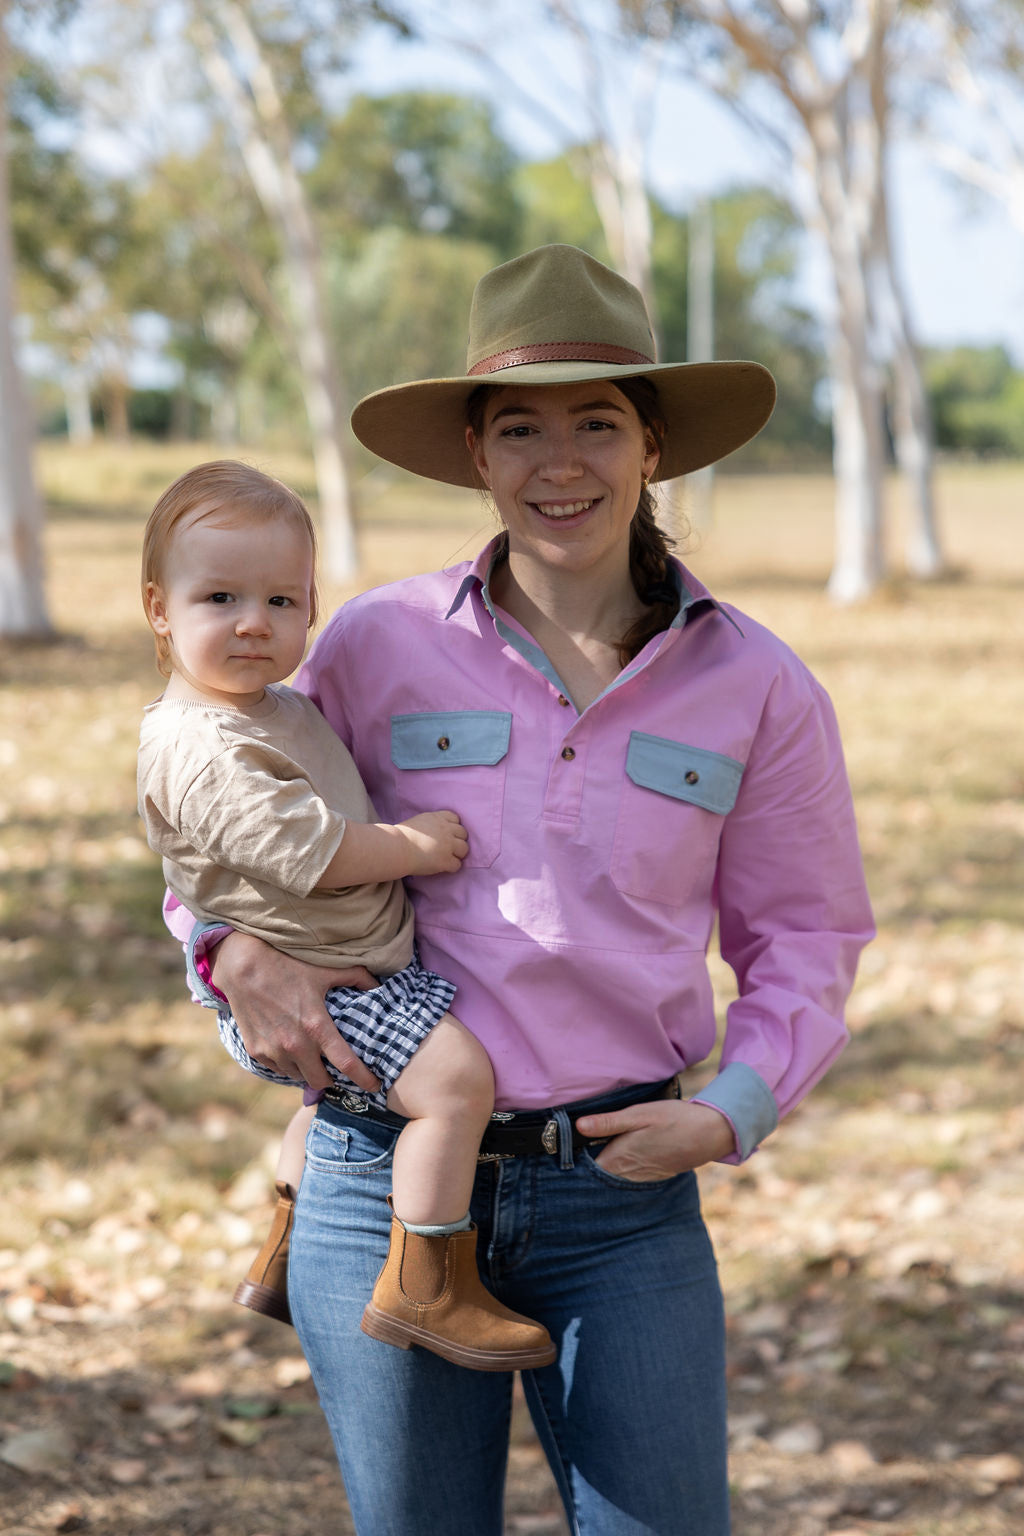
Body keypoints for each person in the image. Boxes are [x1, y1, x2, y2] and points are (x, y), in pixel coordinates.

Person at [169, 245, 874, 1536]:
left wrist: (729, 1114)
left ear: (652, 445)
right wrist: (225, 950)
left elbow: (810, 932)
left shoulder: (759, 687)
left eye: (597, 423)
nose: (561, 464)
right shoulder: (376, 644)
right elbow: (223, 811)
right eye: (522, 429)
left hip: (622, 1199)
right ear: (478, 458)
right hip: (381, 1180)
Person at [137, 459, 556, 1370]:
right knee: (451, 1087)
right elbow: (307, 852)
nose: (256, 622)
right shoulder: (202, 744)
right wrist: (411, 847)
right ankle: (428, 1280)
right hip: (321, 969)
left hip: (333, 956)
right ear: (159, 610)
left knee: (322, 1101)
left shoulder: (263, 707)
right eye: (220, 598)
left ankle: (287, 1240)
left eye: (283, 601)